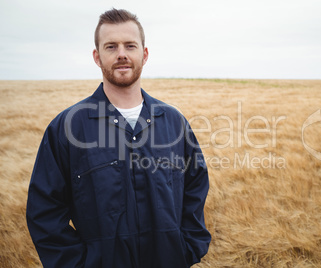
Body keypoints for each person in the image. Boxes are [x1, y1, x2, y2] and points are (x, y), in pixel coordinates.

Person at [26, 8, 211, 268]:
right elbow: (44, 210)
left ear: (144, 55)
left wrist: (186, 249)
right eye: (111, 46)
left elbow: (196, 187)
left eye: (130, 45)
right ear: (97, 56)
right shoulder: (67, 127)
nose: (122, 54)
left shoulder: (173, 122)